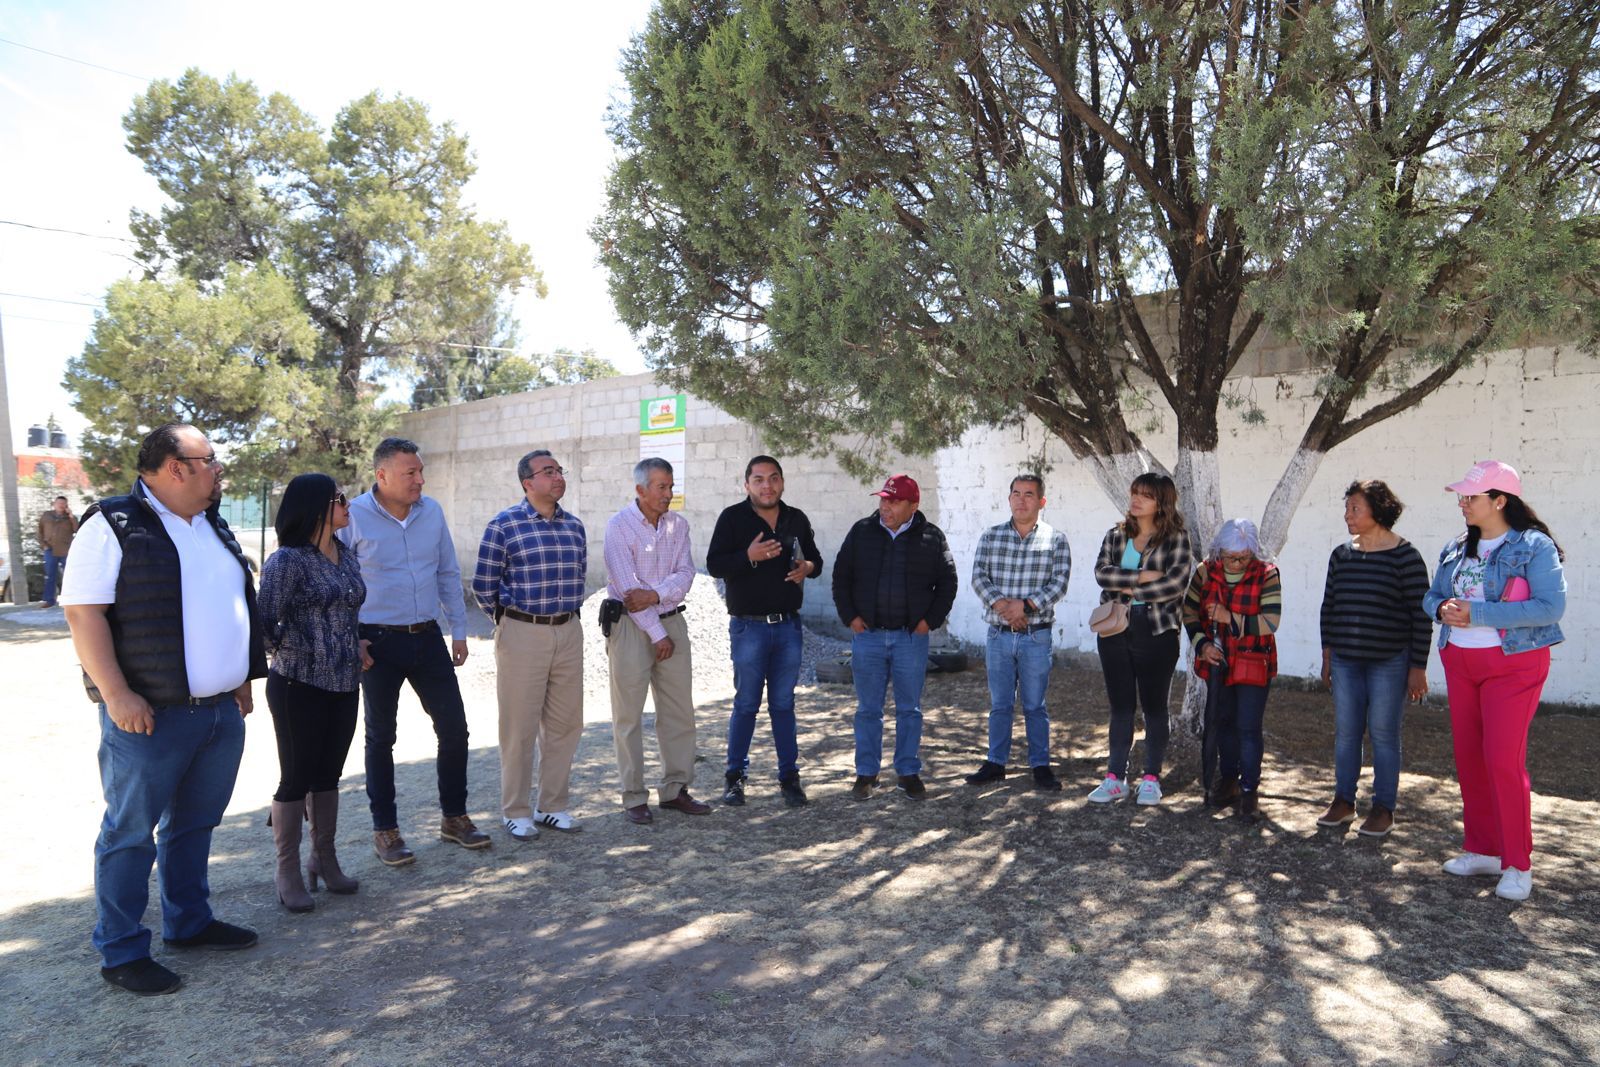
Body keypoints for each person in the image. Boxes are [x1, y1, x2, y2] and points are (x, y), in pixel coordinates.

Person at [60, 423, 265, 996]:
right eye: (210, 460)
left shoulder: (213, 524)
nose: (219, 469)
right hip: (150, 715)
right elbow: (83, 614)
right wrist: (117, 693)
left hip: (219, 712)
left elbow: (231, 604)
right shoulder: (113, 523)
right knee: (130, 833)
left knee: (195, 824)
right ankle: (122, 950)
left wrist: (241, 677)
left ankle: (189, 923)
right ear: (176, 467)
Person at [341, 437, 490, 865]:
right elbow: (339, 581)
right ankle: (384, 829)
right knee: (381, 737)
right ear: (381, 474)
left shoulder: (433, 512)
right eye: (411, 473)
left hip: (426, 637)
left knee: (454, 729)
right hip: (376, 642)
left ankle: (454, 818)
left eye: (421, 471)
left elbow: (446, 570)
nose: (420, 480)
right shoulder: (353, 517)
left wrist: (458, 630)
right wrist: (352, 637)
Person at [1424, 460, 1565, 902]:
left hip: (1514, 666)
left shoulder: (1533, 546)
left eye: (1472, 496)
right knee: (1469, 758)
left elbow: (1549, 607)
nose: (1463, 503)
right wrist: (1441, 607)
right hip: (1461, 662)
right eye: (1462, 496)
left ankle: (1518, 864)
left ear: (1500, 500)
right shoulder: (1454, 547)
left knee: (1503, 761)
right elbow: (1432, 595)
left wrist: (1478, 613)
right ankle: (1483, 849)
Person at [257, 473, 368, 912]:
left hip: (345, 682)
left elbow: (348, 610)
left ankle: (323, 858)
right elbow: (265, 623)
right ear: (317, 507)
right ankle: (287, 870)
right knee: (296, 777)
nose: (348, 505)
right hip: (297, 684)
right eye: (340, 498)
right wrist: (301, 647)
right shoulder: (287, 561)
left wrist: (354, 642)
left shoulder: (346, 554)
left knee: (329, 775)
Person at [472, 450, 587, 841]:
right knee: (519, 727)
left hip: (569, 629)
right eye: (548, 472)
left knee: (566, 725)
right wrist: (508, 623)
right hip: (522, 632)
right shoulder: (504, 525)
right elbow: (483, 586)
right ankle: (515, 810)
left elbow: (580, 574)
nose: (557, 477)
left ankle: (552, 807)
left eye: (559, 471)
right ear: (528, 482)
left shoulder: (574, 527)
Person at [705, 455, 824, 808]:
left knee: (784, 704)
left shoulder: (795, 518)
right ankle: (735, 779)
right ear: (747, 485)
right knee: (745, 705)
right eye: (758, 479)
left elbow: (816, 561)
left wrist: (807, 566)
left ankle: (789, 778)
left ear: (782, 482)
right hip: (748, 629)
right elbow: (714, 565)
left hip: (788, 626)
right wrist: (749, 555)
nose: (766, 485)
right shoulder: (732, 518)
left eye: (773, 478)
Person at [1315, 480, 1432, 838]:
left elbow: (1421, 615)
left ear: (1378, 512)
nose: (1347, 515)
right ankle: (1343, 801)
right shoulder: (1341, 555)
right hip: (1347, 662)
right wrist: (1328, 655)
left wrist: (1417, 668)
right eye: (1347, 507)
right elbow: (1329, 607)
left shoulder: (1405, 557)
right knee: (1346, 734)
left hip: (1389, 663)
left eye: (1355, 508)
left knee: (1383, 734)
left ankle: (1384, 808)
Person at [832, 474, 958, 801]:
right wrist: (851, 618)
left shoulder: (931, 537)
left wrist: (927, 622)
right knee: (868, 710)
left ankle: (907, 772)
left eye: (894, 501)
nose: (885, 506)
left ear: (913, 505)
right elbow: (841, 576)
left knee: (909, 709)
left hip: (909, 640)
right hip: (869, 637)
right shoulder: (862, 532)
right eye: (883, 499)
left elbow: (948, 583)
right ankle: (866, 774)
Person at [604, 457, 708, 824]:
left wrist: (656, 596)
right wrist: (656, 627)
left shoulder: (678, 525)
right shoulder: (618, 527)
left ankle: (675, 789)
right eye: (661, 487)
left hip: (672, 623)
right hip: (632, 628)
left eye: (671, 486)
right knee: (628, 716)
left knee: (679, 711)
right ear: (640, 490)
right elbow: (627, 591)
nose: (669, 494)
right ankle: (633, 796)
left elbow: (686, 573)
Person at [1087, 472, 1194, 806]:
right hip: (1115, 628)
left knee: (1154, 707)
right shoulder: (1116, 535)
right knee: (1120, 706)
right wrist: (1140, 578)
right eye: (1134, 493)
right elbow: (1102, 573)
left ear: (1161, 502)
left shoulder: (1176, 538)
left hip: (1157, 629)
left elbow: (1175, 585)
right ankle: (1115, 777)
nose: (1135, 500)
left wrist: (1128, 586)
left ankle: (1150, 778)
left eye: (1145, 495)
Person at [965, 474, 1072, 791]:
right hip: (998, 635)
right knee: (999, 704)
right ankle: (995, 762)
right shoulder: (991, 537)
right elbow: (979, 578)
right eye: (1016, 493)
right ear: (1009, 498)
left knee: (1035, 705)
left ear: (1042, 502)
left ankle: (1040, 765)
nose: (1021, 499)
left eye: (1029, 494)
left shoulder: (1055, 540)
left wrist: (1023, 607)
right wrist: (1004, 607)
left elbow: (1059, 584)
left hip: (1036, 636)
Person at [1182, 519, 1281, 819]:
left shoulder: (1267, 573)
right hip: (1218, 660)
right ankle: (1228, 780)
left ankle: (1250, 790)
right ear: (1219, 551)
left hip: (1253, 661)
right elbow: (1189, 611)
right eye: (1230, 557)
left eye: (1243, 557)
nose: (1236, 563)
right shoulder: (1204, 571)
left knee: (1248, 727)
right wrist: (1202, 645)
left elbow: (1270, 621)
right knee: (1222, 721)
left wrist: (1229, 618)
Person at [37, 494, 78, 606]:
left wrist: (71, 515)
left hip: (65, 550)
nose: (61, 505)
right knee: (50, 575)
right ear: (54, 504)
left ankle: (72, 599)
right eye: (59, 503)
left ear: (66, 505)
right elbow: (40, 530)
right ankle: (49, 600)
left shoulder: (70, 518)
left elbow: (76, 529)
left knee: (70, 575)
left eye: (63, 504)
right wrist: (43, 545)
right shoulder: (47, 515)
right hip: (50, 549)